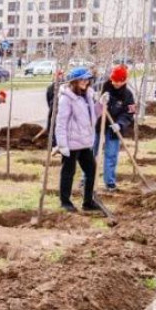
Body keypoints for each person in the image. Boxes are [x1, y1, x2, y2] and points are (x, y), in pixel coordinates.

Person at [54, 67, 104, 213]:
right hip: (71, 143)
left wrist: (101, 104)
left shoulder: (87, 95)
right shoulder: (66, 98)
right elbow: (61, 123)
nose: (85, 82)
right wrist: (62, 144)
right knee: (68, 173)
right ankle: (65, 202)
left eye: (87, 79)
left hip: (84, 142)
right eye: (82, 79)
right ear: (74, 81)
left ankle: (88, 202)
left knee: (91, 171)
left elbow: (92, 116)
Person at [98, 66, 135, 191]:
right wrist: (100, 100)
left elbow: (129, 113)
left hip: (114, 127)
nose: (117, 84)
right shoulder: (102, 87)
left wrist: (120, 124)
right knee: (92, 153)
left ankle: (109, 182)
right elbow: (91, 105)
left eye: (120, 81)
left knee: (111, 154)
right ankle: (86, 180)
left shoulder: (128, 95)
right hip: (98, 124)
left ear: (124, 80)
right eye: (114, 80)